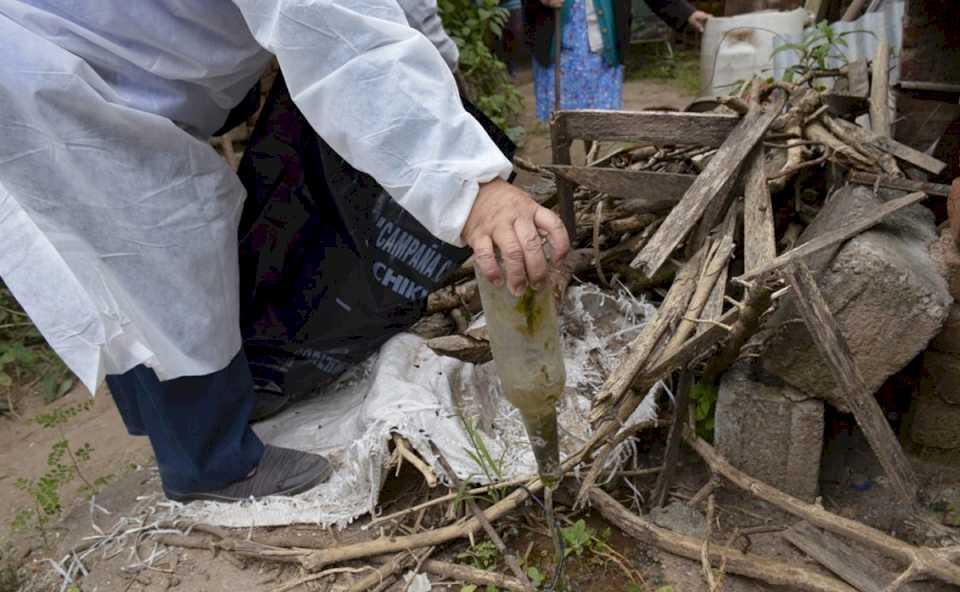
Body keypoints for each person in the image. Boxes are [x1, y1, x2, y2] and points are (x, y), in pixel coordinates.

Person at [0, 1, 569, 503]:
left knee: (126, 267)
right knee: (163, 253)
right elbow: (344, 44)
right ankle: (213, 466)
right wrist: (472, 185)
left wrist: (443, 80)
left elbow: (400, 11)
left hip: (80, 68)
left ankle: (193, 426)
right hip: (53, 79)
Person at [525, 0, 712, 121]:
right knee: (562, 123)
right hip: (561, 52)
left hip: (604, 53)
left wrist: (687, 14)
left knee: (600, 122)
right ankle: (563, 170)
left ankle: (590, 169)